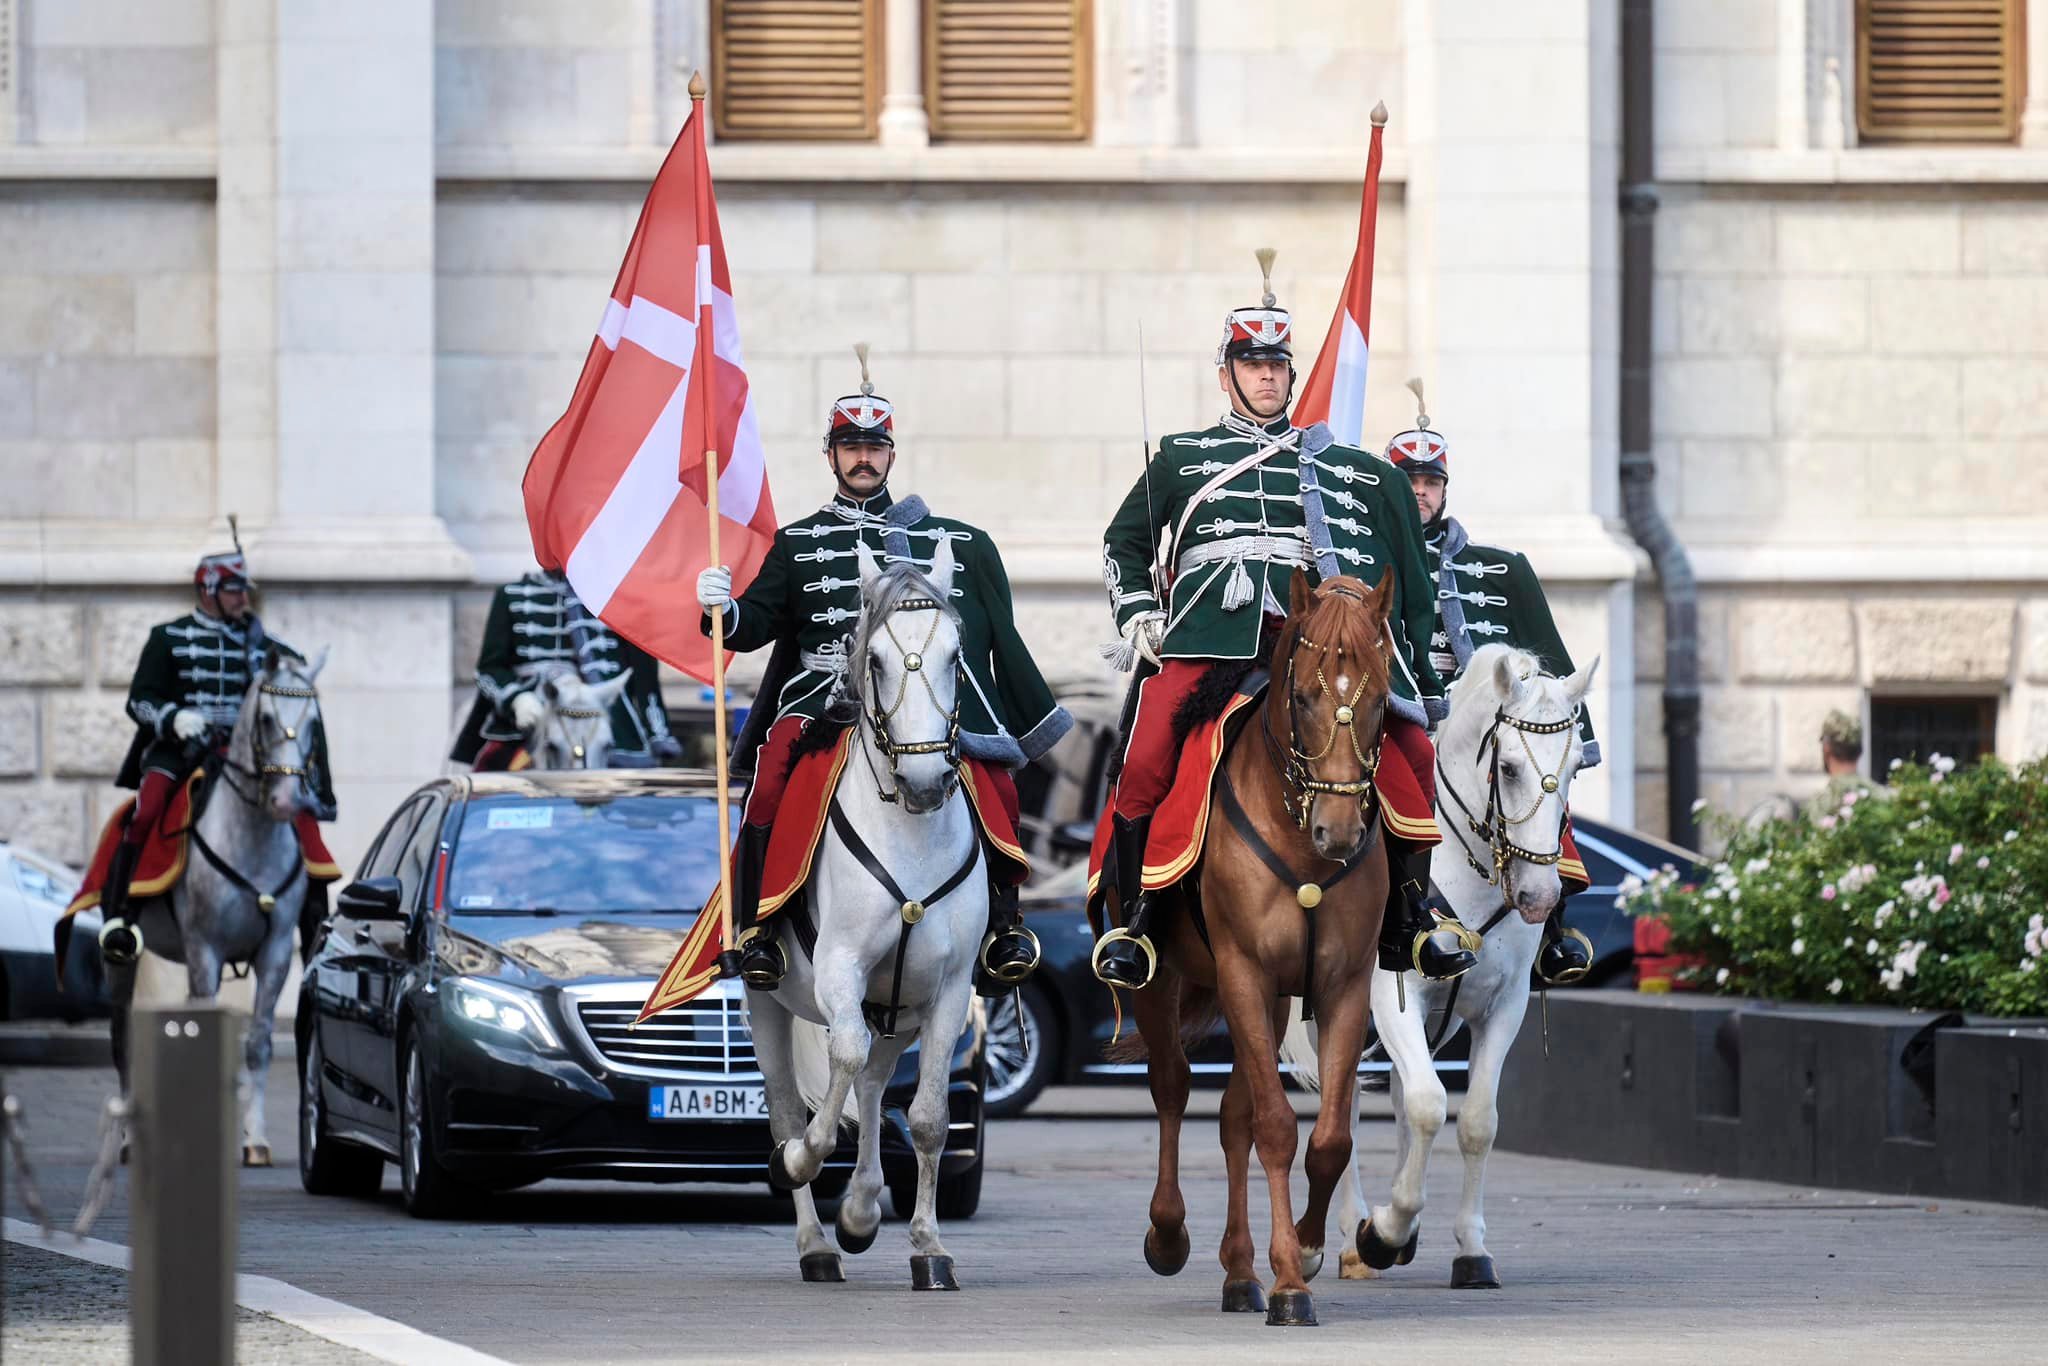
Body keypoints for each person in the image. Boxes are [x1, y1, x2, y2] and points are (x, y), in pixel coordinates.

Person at [1091, 250, 1477, 991]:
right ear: (1226, 374)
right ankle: (1135, 919)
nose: (1266, 376)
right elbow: (1126, 542)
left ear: (1292, 375)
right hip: (1210, 641)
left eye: (1276, 365)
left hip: (1312, 645)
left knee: (1410, 754)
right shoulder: (1184, 457)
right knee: (1143, 758)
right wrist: (1140, 611)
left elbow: (1408, 578)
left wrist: (1415, 676)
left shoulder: (1334, 464)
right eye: (1251, 363)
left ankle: (1411, 915)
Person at [694, 346, 1072, 993]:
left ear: (891, 453)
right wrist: (722, 608)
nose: (862, 457)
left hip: (912, 702)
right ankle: (761, 928)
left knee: (993, 785)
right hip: (822, 701)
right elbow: (755, 625)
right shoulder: (798, 543)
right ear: (831, 454)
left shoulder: (947, 541)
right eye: (850, 446)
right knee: (771, 781)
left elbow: (987, 634)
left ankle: (1004, 922)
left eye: (874, 446)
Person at [1385, 381, 1598, 984]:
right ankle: (1396, 915)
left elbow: (1553, 660)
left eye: (1430, 482)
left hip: (1495, 718)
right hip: (1409, 713)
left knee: (1536, 776)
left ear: (1445, 488)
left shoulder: (1505, 568)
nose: (1420, 492)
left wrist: (1568, 736)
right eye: (1409, 481)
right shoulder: (1374, 564)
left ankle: (1555, 930)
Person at [98, 546, 336, 964]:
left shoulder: (270, 649)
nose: (243, 598)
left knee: (303, 822)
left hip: (250, 755)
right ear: (207, 590)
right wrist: (173, 718)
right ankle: (122, 915)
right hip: (183, 750)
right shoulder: (167, 639)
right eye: (232, 590)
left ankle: (314, 918)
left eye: (243, 589)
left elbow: (295, 710)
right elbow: (140, 701)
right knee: (147, 810)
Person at [450, 570, 680, 770]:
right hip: (526, 723)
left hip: (601, 715)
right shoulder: (511, 596)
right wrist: (516, 699)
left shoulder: (619, 598)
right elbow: (489, 669)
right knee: (489, 784)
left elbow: (644, 676)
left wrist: (657, 734)